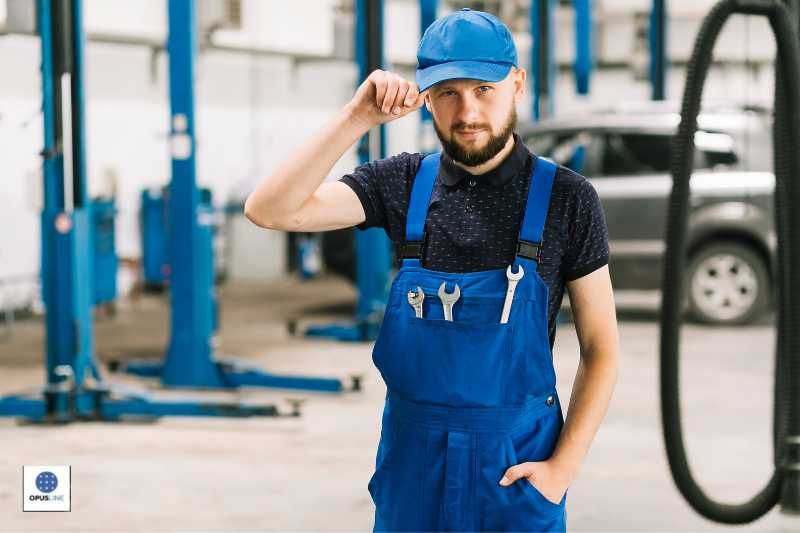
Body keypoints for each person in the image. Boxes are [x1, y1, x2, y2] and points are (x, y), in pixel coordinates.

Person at [245, 7, 619, 532]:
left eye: (483, 89)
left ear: (517, 83)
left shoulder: (567, 198)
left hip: (514, 468)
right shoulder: (402, 185)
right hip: (414, 468)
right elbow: (270, 209)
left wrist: (564, 468)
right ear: (425, 98)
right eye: (448, 93)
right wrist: (356, 117)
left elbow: (601, 347)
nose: (467, 111)